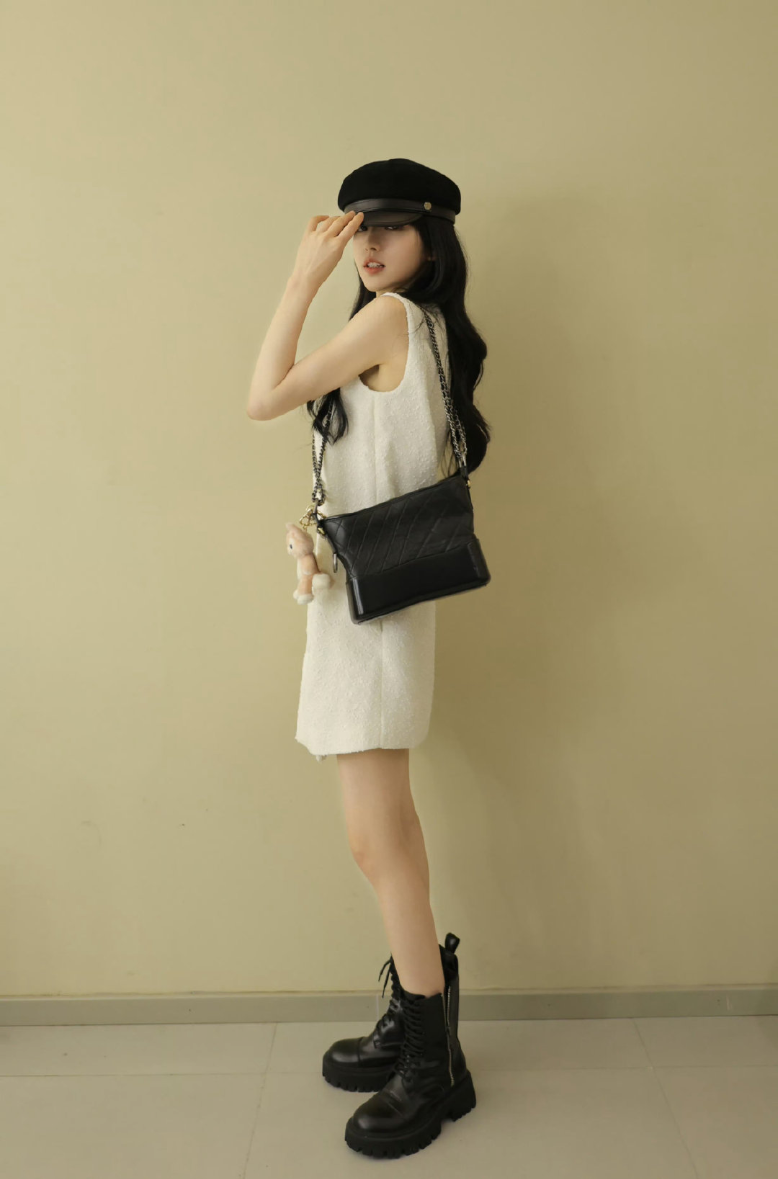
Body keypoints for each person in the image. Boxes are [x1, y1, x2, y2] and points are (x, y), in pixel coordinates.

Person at [246, 158, 491, 1157]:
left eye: (391, 227)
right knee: (390, 836)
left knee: (377, 841)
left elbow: (263, 396)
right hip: (369, 606)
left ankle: (432, 1061)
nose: (372, 245)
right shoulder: (420, 327)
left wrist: (301, 278)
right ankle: (421, 1025)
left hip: (374, 620)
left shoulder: (390, 319)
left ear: (432, 238)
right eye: (359, 229)